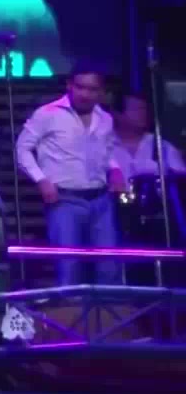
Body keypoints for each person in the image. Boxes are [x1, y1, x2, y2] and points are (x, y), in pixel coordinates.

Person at [16, 62, 127, 286]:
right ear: (70, 85)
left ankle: (109, 309)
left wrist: (115, 169)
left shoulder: (105, 118)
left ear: (101, 91)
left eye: (92, 89)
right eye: (80, 87)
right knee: (69, 266)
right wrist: (41, 180)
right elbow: (22, 149)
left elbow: (107, 151)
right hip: (64, 200)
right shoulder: (47, 114)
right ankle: (69, 309)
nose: (85, 94)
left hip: (101, 199)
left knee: (109, 266)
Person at [111, 91, 186, 244]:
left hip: (156, 219)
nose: (143, 114)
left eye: (145, 109)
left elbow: (180, 182)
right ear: (118, 114)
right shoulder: (105, 146)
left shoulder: (162, 146)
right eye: (137, 109)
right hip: (114, 216)